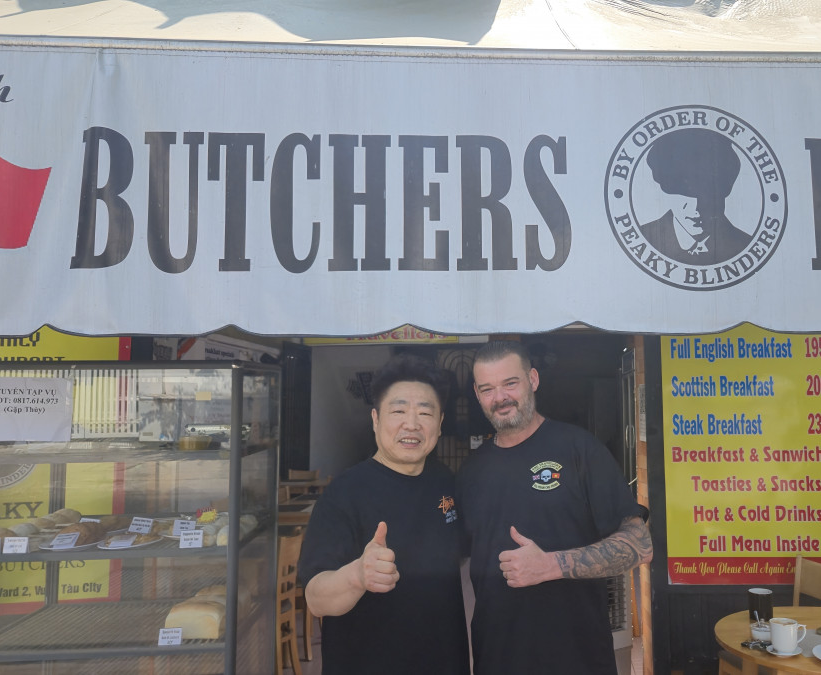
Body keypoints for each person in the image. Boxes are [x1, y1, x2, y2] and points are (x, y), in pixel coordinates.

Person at [457, 341, 653, 675]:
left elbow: (640, 545)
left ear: (533, 379)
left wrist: (551, 565)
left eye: (510, 383)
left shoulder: (580, 449)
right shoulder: (470, 472)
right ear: (477, 394)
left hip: (577, 656)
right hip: (498, 657)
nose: (500, 397)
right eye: (487, 389)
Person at [298, 355, 469, 675]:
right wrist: (357, 576)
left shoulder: (445, 481)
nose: (412, 424)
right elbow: (315, 598)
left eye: (425, 412)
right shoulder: (344, 493)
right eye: (399, 411)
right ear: (376, 419)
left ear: (440, 422)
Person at [640, 127, 754, 265]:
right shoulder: (643, 240)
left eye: (707, 196)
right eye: (684, 195)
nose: (696, 208)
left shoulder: (746, 247)